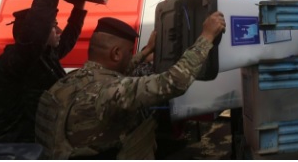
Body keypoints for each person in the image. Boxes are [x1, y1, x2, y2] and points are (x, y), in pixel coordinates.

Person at [35, 12, 226, 159]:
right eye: (128, 52)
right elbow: (174, 82)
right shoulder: (108, 91)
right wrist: (206, 37)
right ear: (116, 54)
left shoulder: (70, 81)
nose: (130, 56)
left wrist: (146, 51)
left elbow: (115, 74)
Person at [0, 0, 87, 143]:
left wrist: (79, 6)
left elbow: (67, 39)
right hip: (14, 148)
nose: (58, 30)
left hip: (37, 142)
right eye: (53, 25)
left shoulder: (45, 56)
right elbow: (34, 37)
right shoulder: (13, 62)